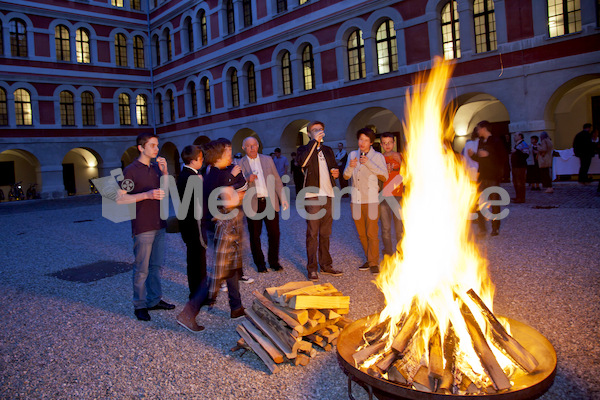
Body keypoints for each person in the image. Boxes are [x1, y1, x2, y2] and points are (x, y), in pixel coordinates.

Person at [176, 140, 247, 333]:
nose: (231, 155)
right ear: (217, 156)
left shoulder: (216, 174)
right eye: (228, 152)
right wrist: (235, 194)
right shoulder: (215, 175)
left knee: (230, 269)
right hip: (223, 229)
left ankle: (236, 307)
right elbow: (230, 199)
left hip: (228, 227)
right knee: (215, 278)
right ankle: (188, 313)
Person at [116, 132, 175, 322]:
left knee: (156, 266)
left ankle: (154, 300)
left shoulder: (156, 168)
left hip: (159, 223)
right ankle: (139, 305)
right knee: (142, 268)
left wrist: (165, 173)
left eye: (157, 145)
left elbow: (166, 192)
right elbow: (119, 198)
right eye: (153, 145)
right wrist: (146, 195)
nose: (157, 149)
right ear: (141, 148)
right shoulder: (131, 170)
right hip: (143, 226)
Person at [296, 121, 343, 281]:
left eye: (320, 129)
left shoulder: (328, 150)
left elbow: (334, 169)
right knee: (312, 233)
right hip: (312, 195)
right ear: (309, 134)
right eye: (314, 130)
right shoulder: (303, 149)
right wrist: (313, 143)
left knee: (325, 233)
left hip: (328, 194)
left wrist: (335, 174)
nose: (318, 132)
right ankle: (311, 268)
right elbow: (303, 163)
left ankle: (326, 265)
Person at [239, 136, 289, 273]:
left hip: (270, 201)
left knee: (275, 233)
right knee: (255, 235)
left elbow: (277, 180)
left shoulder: (267, 159)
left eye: (254, 145)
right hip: (253, 203)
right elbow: (237, 186)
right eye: (248, 146)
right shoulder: (239, 163)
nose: (252, 148)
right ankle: (260, 263)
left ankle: (274, 262)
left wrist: (282, 197)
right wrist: (247, 180)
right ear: (243, 148)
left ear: (258, 146)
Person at [344, 127, 388, 273]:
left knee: (372, 233)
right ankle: (369, 259)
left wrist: (368, 163)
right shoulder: (352, 155)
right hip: (355, 200)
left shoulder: (378, 157)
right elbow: (345, 176)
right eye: (360, 139)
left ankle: (374, 261)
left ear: (371, 143)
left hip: (371, 200)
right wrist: (350, 168)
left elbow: (384, 176)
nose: (362, 142)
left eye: (366, 140)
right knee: (361, 233)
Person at [176, 145, 207, 299]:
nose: (202, 161)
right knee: (198, 261)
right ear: (194, 160)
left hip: (187, 224)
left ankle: (196, 291)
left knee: (194, 259)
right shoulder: (192, 178)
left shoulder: (183, 175)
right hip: (195, 224)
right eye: (201, 158)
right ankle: (198, 293)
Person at [468, 121, 506, 237]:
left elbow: (502, 157)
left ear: (484, 129)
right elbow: (481, 159)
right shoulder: (480, 142)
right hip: (482, 176)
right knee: (478, 202)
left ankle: (495, 228)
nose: (477, 131)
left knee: (494, 202)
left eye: (478, 129)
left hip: (493, 176)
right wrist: (473, 156)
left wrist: (489, 154)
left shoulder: (496, 141)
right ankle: (482, 229)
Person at [379, 132, 403, 256]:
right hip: (384, 196)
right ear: (381, 144)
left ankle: (401, 251)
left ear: (394, 143)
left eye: (390, 142)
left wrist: (400, 161)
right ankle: (388, 252)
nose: (387, 145)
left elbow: (407, 172)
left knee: (399, 228)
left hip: (398, 196)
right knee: (385, 227)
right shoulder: (379, 158)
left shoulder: (399, 156)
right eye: (385, 143)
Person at [510, 133, 529, 203]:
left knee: (520, 182)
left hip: (520, 166)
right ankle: (518, 196)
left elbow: (526, 155)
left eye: (516, 135)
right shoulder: (517, 145)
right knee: (516, 182)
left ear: (520, 136)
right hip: (515, 166)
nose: (514, 137)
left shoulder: (523, 144)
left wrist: (517, 152)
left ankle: (521, 198)